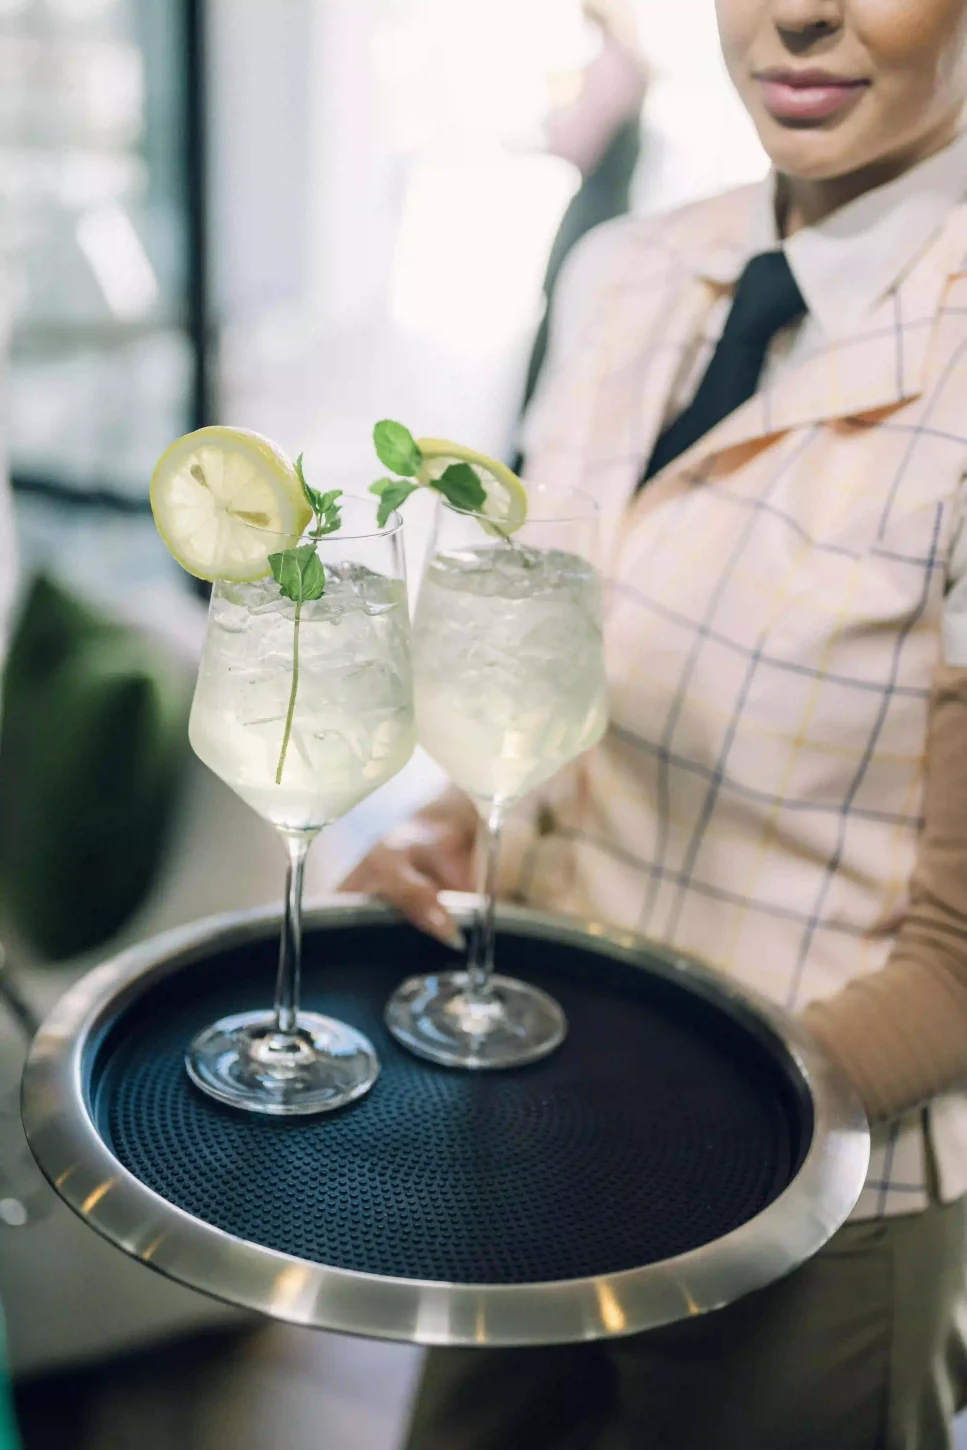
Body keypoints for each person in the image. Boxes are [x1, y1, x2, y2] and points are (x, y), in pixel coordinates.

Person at [343, 0, 967, 1445]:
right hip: (534, 1100)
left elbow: (959, 962)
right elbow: (565, 661)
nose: (798, 13)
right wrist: (468, 821)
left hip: (821, 1183)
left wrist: (672, 1117)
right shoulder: (628, 269)